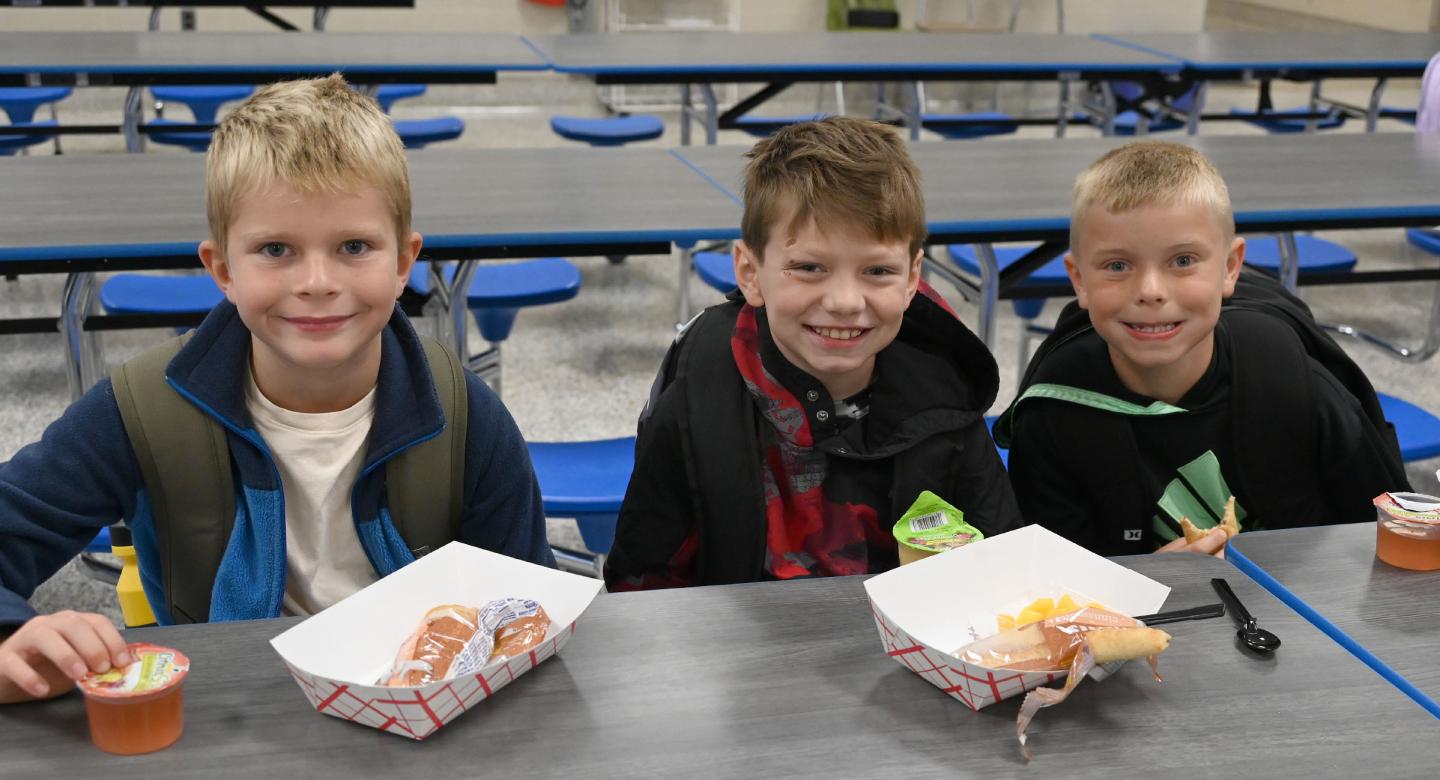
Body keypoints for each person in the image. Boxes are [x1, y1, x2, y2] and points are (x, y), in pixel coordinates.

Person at [0, 75, 552, 703]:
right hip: (230, 714)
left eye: (353, 246)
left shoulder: (466, 417)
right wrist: (11, 634)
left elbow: (526, 609)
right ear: (223, 270)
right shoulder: (141, 412)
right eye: (276, 249)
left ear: (403, 263)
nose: (317, 281)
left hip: (423, 716)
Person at [605, 117, 1022, 590]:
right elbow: (643, 583)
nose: (845, 301)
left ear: (912, 278)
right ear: (750, 272)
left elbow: (1001, 570)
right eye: (809, 267)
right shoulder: (699, 388)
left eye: (878, 271)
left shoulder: (945, 384)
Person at [997, 141, 1409, 557]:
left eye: (1182, 261)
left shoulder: (1295, 384)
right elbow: (1052, 587)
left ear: (1231, 267)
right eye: (1118, 266)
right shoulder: (1053, 415)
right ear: (1079, 279)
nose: (1151, 292)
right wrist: (1153, 578)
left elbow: (1393, 540)